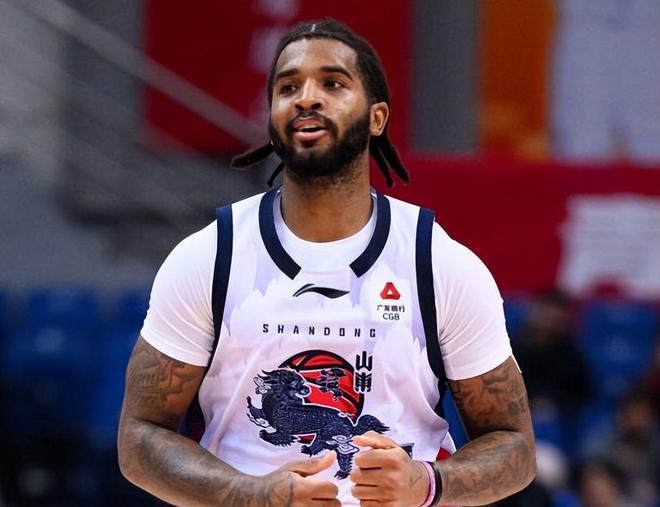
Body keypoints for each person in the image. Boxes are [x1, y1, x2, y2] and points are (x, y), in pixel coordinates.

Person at [117, 19, 535, 506]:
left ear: (377, 118)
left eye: (332, 84)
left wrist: (426, 484)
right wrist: (252, 495)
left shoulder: (439, 263)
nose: (306, 98)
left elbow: (515, 447)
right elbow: (139, 438)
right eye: (288, 87)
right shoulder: (209, 256)